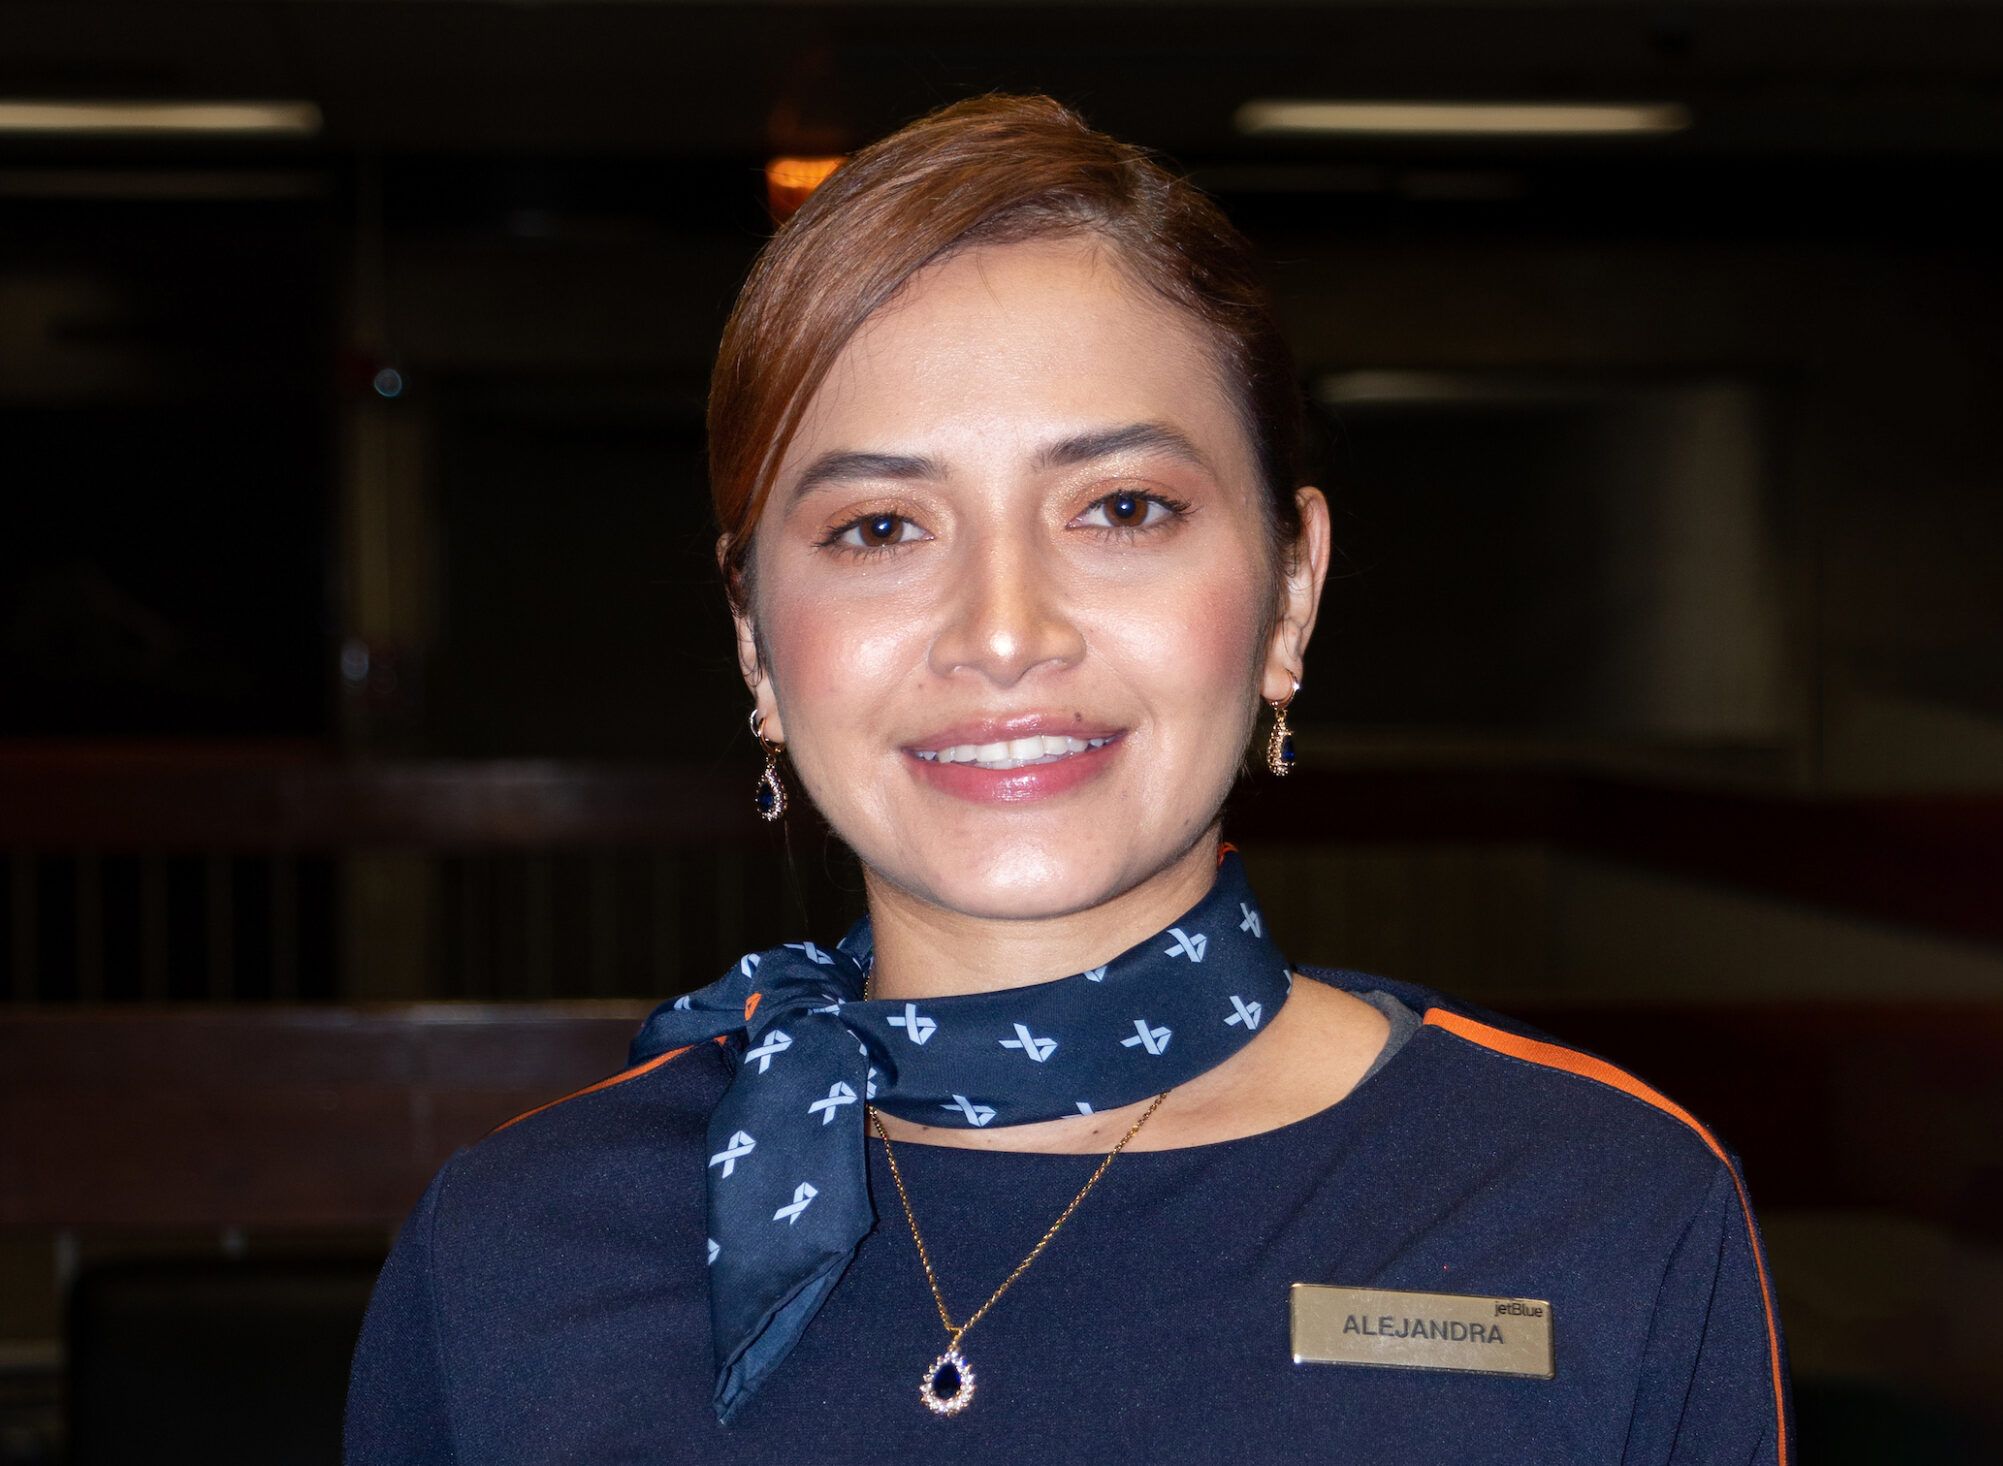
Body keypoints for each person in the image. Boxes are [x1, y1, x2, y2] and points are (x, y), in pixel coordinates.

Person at [346, 95, 1788, 1465]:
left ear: (1291, 594)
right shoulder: (512, 1248)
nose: (1004, 629)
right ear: (755, 639)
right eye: (879, 527)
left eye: (1122, 507)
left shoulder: (1598, 1206)